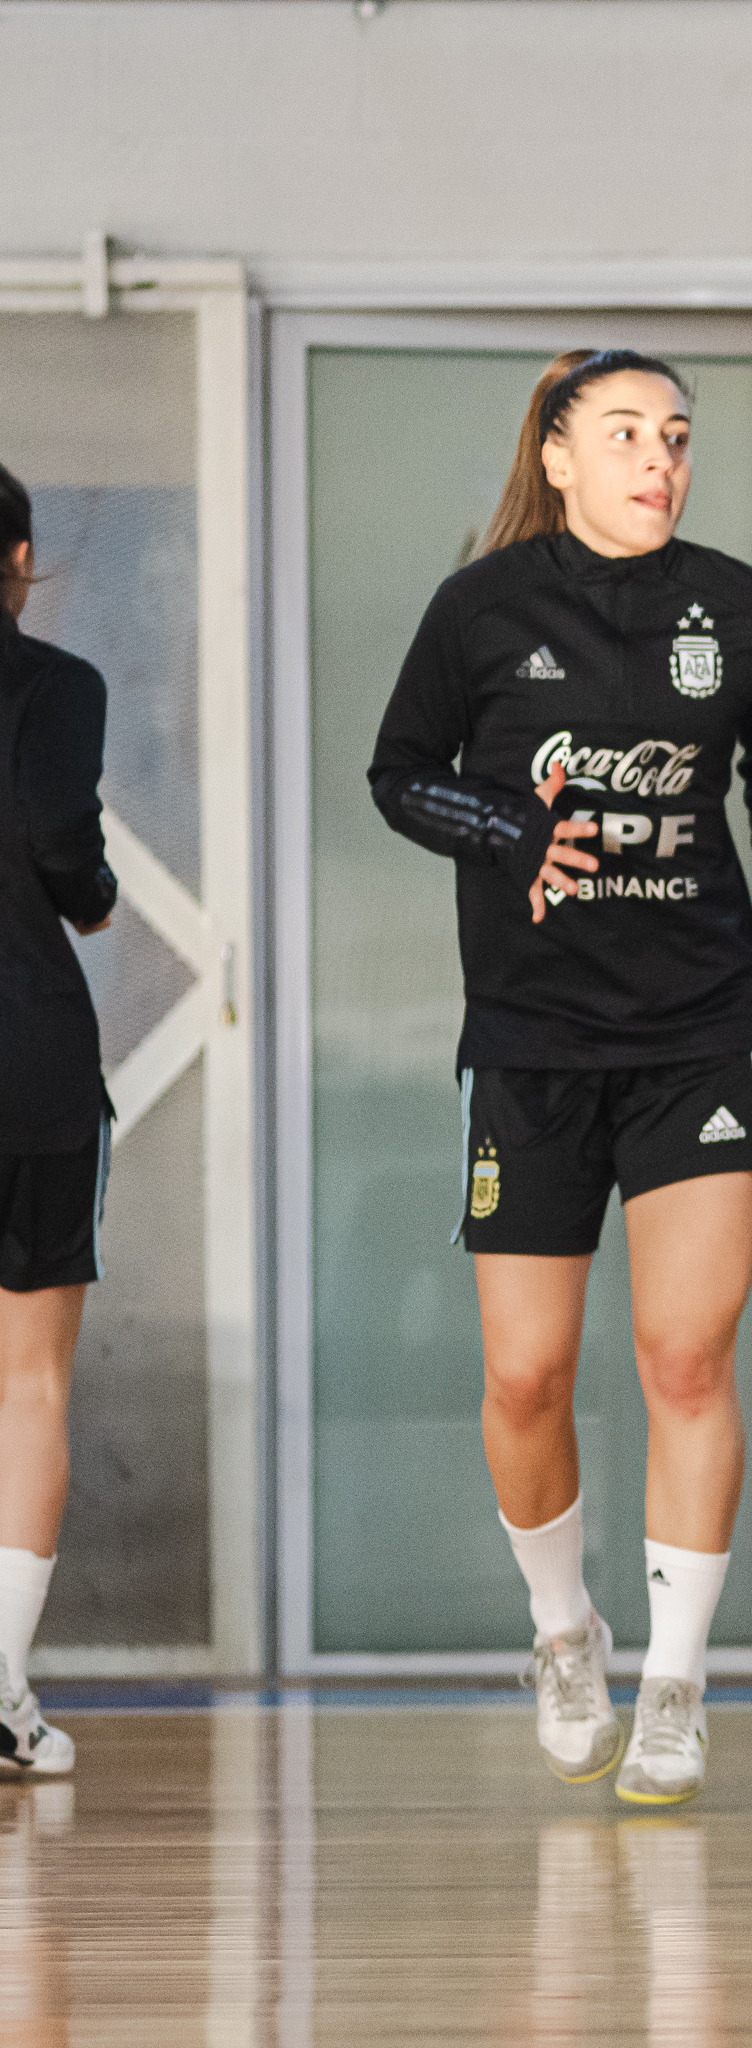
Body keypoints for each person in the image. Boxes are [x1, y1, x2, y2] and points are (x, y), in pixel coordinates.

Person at [369, 350, 752, 1805]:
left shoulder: (746, 609)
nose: (657, 459)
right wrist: (509, 831)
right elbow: (398, 773)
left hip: (698, 1027)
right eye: (623, 433)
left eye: (676, 437)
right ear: (557, 456)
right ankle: (567, 1630)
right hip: (529, 1040)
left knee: (685, 1358)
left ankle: (678, 1683)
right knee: (525, 1375)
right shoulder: (481, 608)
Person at [0, 462, 115, 1779]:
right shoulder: (60, 686)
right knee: (28, 1380)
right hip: (29, 1059)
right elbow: (57, 843)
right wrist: (90, 896)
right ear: (19, 558)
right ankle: (4, 1689)